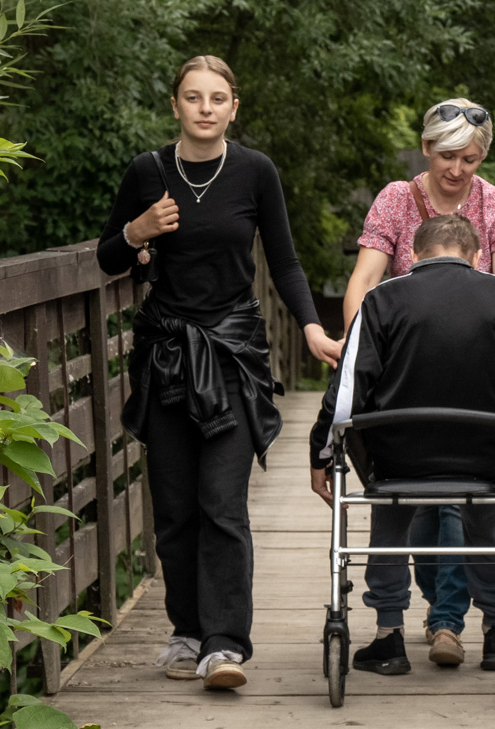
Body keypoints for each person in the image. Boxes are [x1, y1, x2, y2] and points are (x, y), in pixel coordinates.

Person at [96, 55, 341, 692]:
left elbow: (284, 262)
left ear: (234, 108)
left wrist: (311, 327)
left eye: (217, 98)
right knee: (176, 510)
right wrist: (137, 230)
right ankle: (187, 632)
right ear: (175, 105)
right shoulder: (147, 171)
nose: (205, 108)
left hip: (233, 353)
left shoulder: (256, 171)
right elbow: (106, 258)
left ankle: (226, 643)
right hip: (166, 356)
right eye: (193, 97)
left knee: (223, 503)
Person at [310, 214, 495, 677]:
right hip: (484, 456)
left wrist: (321, 450)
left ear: (413, 255)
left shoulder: (381, 299)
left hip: (398, 456)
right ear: (477, 256)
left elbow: (347, 393)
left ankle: (388, 634)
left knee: (388, 508)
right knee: (486, 516)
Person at [339, 98, 495, 668]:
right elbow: (364, 284)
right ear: (426, 148)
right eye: (447, 156)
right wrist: (358, 351)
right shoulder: (396, 200)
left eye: (470, 159)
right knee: (417, 505)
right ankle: (438, 618)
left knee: (461, 505)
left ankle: (461, 621)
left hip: (473, 380)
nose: (457, 169)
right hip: (406, 377)